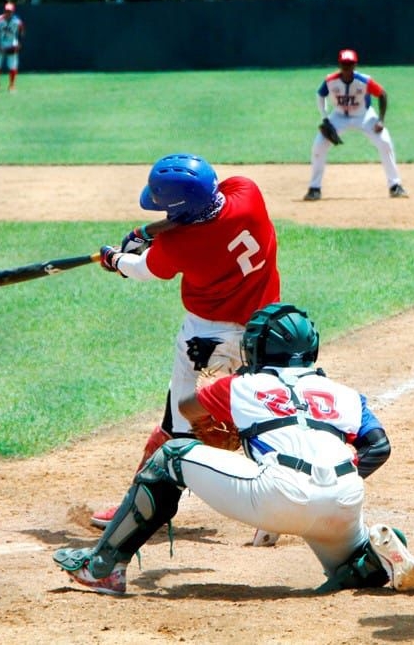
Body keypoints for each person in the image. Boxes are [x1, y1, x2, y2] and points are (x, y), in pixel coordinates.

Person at [53, 303, 414, 596]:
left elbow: (187, 408)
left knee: (170, 456)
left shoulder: (238, 385)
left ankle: (103, 567)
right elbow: (378, 447)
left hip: (277, 495)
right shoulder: (348, 395)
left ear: (254, 348)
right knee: (347, 565)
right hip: (345, 500)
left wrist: (227, 426)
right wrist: (331, 479)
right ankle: (373, 559)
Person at [88, 152, 282, 544]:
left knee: (178, 424)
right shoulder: (247, 192)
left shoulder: (179, 246)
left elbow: (142, 269)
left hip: (206, 341)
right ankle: (278, 510)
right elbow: (199, 215)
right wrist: (149, 230)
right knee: (259, 415)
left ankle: (142, 508)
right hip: (266, 331)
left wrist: (115, 258)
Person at [305, 48, 408, 201]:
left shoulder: (364, 80)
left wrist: (380, 120)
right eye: (344, 64)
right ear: (339, 64)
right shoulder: (330, 80)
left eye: (350, 64)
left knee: (385, 142)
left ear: (355, 65)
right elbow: (320, 95)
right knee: (319, 145)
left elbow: (382, 94)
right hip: (339, 116)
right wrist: (325, 118)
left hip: (364, 116)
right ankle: (314, 188)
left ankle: (395, 186)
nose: (347, 67)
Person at [0, 2, 25, 93]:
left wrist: (19, 43)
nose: (8, 12)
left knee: (12, 65)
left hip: (12, 44)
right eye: (6, 11)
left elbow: (22, 32)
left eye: (9, 11)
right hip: (0, 43)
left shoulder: (17, 22)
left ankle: (12, 85)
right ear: (4, 11)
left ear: (13, 12)